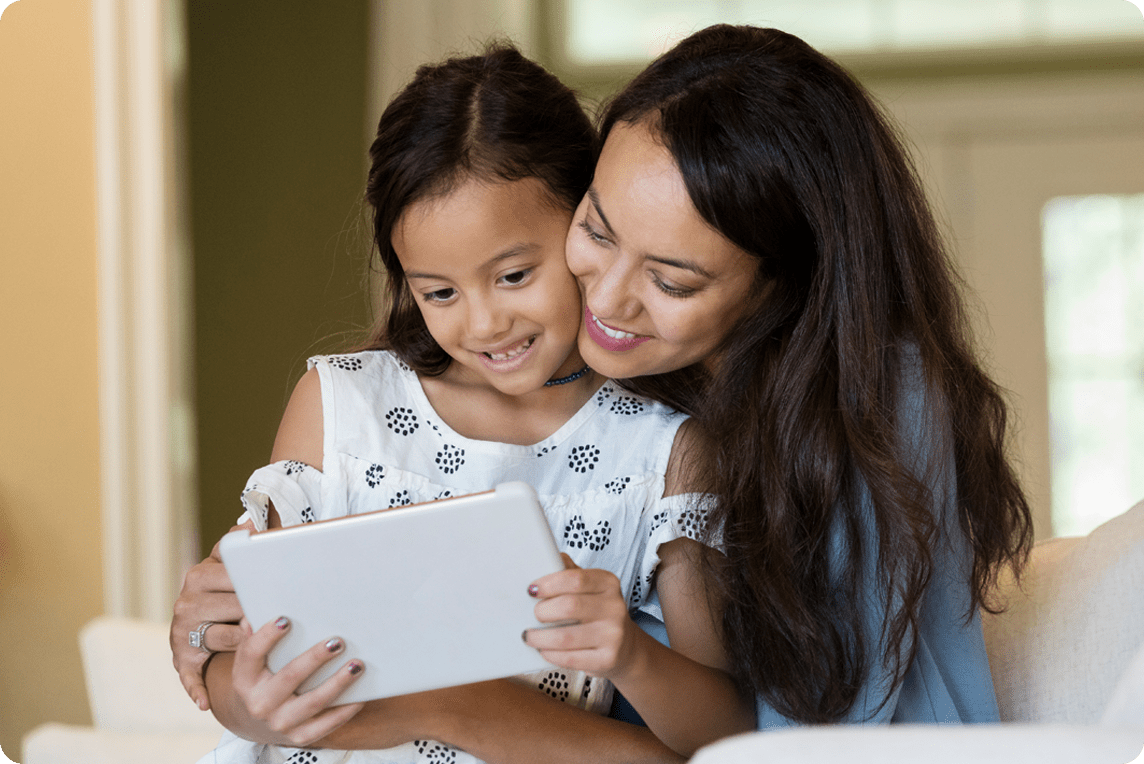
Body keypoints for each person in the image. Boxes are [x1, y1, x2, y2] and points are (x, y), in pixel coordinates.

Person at [174, 22, 1033, 756]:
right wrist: (212, 645)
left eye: (673, 279)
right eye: (597, 229)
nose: (607, 301)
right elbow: (244, 651)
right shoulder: (369, 400)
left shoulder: (845, 408)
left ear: (782, 287)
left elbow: (774, 739)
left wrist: (453, 701)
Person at [194, 43, 752, 764]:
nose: (484, 324)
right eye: (440, 292)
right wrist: (255, 700)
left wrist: (630, 656)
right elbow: (231, 665)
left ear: (588, 227)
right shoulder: (340, 407)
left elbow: (724, 736)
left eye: (514, 274)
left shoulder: (663, 451)